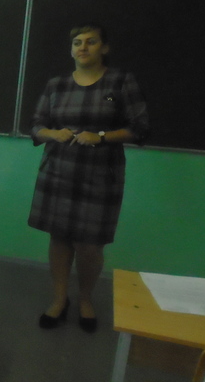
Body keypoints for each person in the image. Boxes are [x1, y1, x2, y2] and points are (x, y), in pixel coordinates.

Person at [28, 23, 149, 332]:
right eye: (77, 42)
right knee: (59, 238)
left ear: (104, 48)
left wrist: (102, 136)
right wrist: (53, 133)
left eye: (91, 41)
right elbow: (36, 126)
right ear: (71, 50)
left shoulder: (121, 81)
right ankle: (59, 299)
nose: (82, 47)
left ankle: (85, 299)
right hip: (58, 172)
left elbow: (140, 128)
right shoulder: (57, 85)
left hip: (101, 176)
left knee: (90, 245)